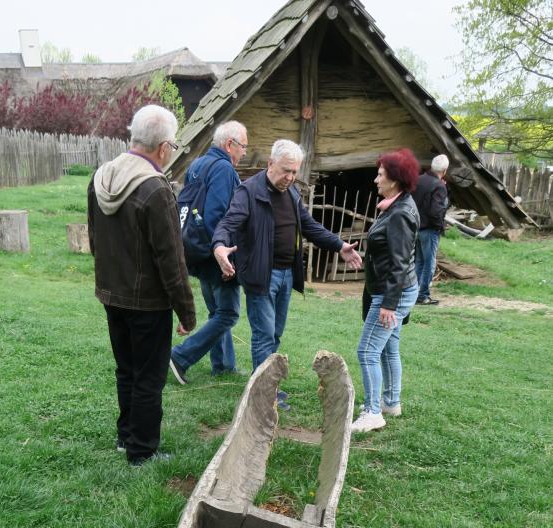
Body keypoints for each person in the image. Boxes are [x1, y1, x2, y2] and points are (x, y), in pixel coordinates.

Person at [212, 139, 362, 410]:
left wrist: (339, 245)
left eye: (294, 172)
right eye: (286, 171)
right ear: (270, 163)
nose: (290, 178)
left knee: (275, 333)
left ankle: (265, 383)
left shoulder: (291, 193)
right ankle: (263, 395)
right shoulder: (249, 191)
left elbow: (309, 226)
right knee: (264, 334)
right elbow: (228, 222)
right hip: (261, 275)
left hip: (285, 274)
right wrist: (220, 245)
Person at [87, 105, 196, 466]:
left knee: (126, 370)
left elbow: (95, 239)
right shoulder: (155, 188)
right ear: (163, 147)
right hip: (148, 303)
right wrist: (186, 312)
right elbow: (171, 259)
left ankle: (126, 437)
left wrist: (108, 282)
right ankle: (142, 451)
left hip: (112, 294)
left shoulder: (101, 176)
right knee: (148, 377)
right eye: (173, 146)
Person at [169, 121, 248, 385]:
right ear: (230, 144)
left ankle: (223, 365)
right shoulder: (224, 169)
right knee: (228, 313)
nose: (244, 152)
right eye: (243, 147)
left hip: (195, 249)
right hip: (216, 253)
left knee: (217, 312)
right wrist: (223, 255)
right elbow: (218, 215)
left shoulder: (198, 164)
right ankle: (180, 356)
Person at [351, 148, 420, 434]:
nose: (376, 180)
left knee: (367, 351)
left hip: (393, 293)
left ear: (395, 179)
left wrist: (389, 304)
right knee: (388, 347)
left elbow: (399, 263)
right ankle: (390, 402)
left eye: (380, 175)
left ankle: (373, 413)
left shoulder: (400, 213)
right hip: (396, 290)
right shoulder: (395, 206)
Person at [413, 154, 449, 305]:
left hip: (416, 227)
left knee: (419, 262)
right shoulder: (439, 186)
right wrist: (439, 226)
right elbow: (436, 211)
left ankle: (413, 294)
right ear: (445, 170)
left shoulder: (418, 180)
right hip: (429, 228)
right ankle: (422, 295)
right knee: (429, 263)